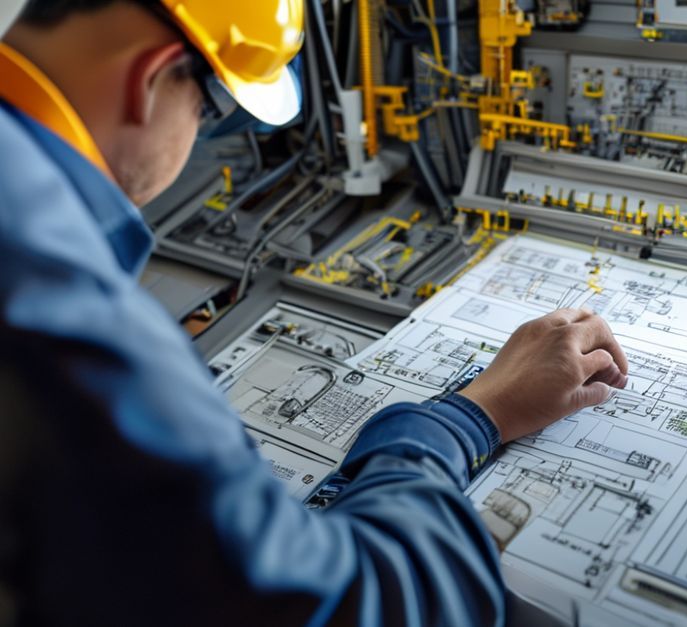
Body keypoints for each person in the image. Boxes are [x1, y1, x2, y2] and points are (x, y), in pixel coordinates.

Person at [0, 1, 629, 625]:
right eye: (208, 110)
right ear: (151, 78)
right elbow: (354, 603)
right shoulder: (74, 325)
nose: (197, 131)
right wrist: (475, 414)